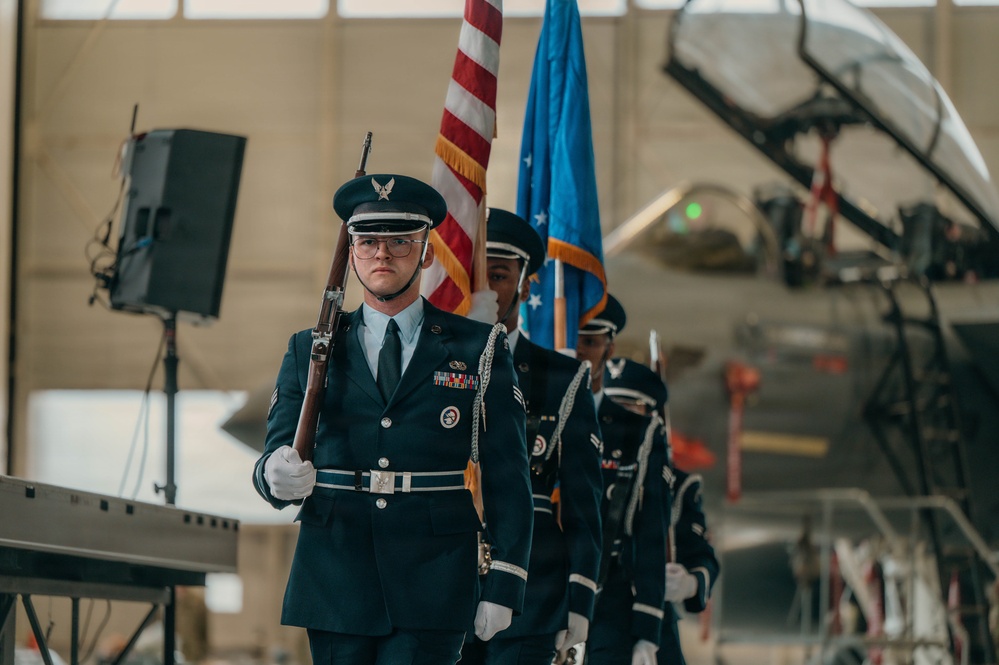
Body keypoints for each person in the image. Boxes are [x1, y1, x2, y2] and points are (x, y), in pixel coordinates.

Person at [252, 173, 534, 665]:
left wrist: (505, 581)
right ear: (351, 253)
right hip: (335, 575)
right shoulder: (309, 348)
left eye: (400, 241)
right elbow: (276, 452)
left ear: (426, 253)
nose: (382, 253)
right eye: (368, 242)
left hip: (434, 578)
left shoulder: (479, 347)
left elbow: (509, 476)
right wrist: (273, 473)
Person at [460, 208, 604, 665]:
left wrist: (580, 597)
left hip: (535, 587)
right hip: (443, 577)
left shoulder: (562, 377)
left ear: (525, 286)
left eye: (499, 275)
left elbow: (583, 501)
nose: (485, 289)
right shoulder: (432, 362)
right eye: (476, 275)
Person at [603, 357, 720, 665]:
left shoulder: (677, 486)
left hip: (649, 621)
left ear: (651, 418)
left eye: (631, 410)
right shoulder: (581, 466)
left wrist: (690, 583)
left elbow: (701, 555)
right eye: (612, 409)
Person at [575, 295, 670, 665]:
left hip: (608, 592)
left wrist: (647, 628)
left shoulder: (638, 431)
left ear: (609, 348)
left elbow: (650, 532)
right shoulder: (532, 412)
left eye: (590, 342)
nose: (579, 351)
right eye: (573, 339)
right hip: (541, 584)